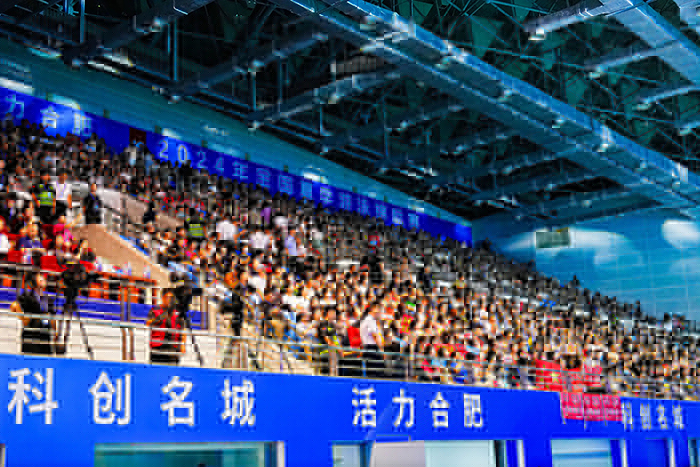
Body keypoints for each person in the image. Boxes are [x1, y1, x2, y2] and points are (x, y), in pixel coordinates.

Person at [11, 273, 55, 355]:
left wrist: (54, 330)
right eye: (40, 279)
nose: (43, 280)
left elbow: (52, 316)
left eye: (44, 279)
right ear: (35, 282)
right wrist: (24, 319)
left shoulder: (48, 299)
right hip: (31, 335)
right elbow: (14, 306)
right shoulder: (27, 296)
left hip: (45, 336)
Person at [147, 289, 185, 365]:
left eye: (171, 298)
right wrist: (163, 315)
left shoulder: (178, 313)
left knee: (172, 369)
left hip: (173, 348)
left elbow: (182, 330)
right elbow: (149, 323)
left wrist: (183, 345)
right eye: (167, 297)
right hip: (158, 347)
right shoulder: (155, 310)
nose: (169, 300)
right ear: (163, 298)